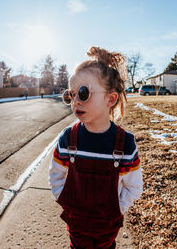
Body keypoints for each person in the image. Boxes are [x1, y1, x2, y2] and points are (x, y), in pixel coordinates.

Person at [49, 47, 143, 248]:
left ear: (110, 99)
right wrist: (65, 200)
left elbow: (134, 186)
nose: (75, 101)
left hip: (107, 228)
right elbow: (55, 173)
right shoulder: (68, 138)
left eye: (83, 93)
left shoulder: (124, 144)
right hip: (76, 225)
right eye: (71, 95)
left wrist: (118, 207)